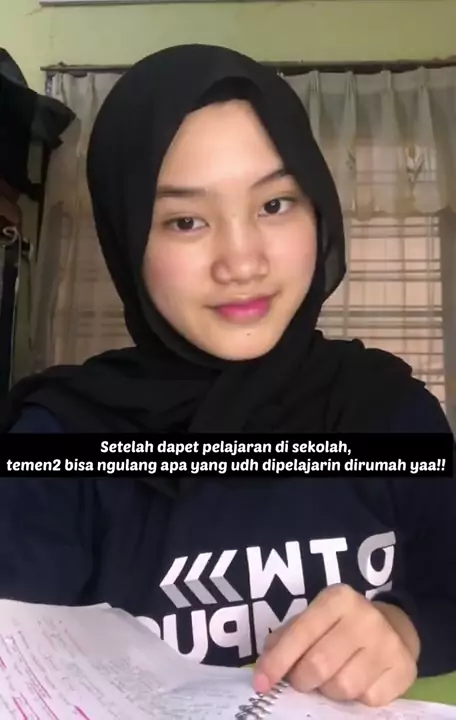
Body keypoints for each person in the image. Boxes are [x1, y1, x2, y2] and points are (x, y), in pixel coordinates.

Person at [1, 44, 456, 708]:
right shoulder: (60, 445)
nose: (242, 262)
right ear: (127, 238)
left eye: (275, 204)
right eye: (185, 221)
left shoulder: (388, 412)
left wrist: (402, 627)